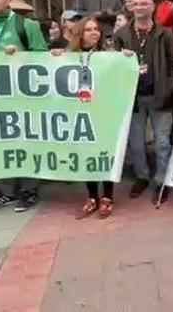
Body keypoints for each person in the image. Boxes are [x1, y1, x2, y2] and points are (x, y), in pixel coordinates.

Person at [0, 0, 49, 213]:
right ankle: (6, 192)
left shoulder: (26, 25)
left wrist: (20, 55)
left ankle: (29, 190)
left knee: (26, 142)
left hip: (22, 96)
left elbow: (41, 57)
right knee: (0, 144)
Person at [113, 0, 173, 203]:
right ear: (131, 8)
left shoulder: (165, 34)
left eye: (145, 4)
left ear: (153, 7)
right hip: (133, 97)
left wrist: (169, 88)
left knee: (162, 143)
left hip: (160, 96)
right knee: (136, 143)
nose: (140, 7)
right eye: (137, 4)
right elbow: (114, 65)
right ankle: (141, 177)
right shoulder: (122, 34)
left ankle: (162, 181)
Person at [52, 17, 118, 219]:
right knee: (87, 154)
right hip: (80, 112)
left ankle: (107, 196)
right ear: (80, 33)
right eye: (88, 29)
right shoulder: (70, 55)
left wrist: (126, 58)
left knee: (105, 153)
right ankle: (92, 196)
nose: (94, 33)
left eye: (96, 29)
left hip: (103, 111)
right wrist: (54, 57)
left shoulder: (108, 55)